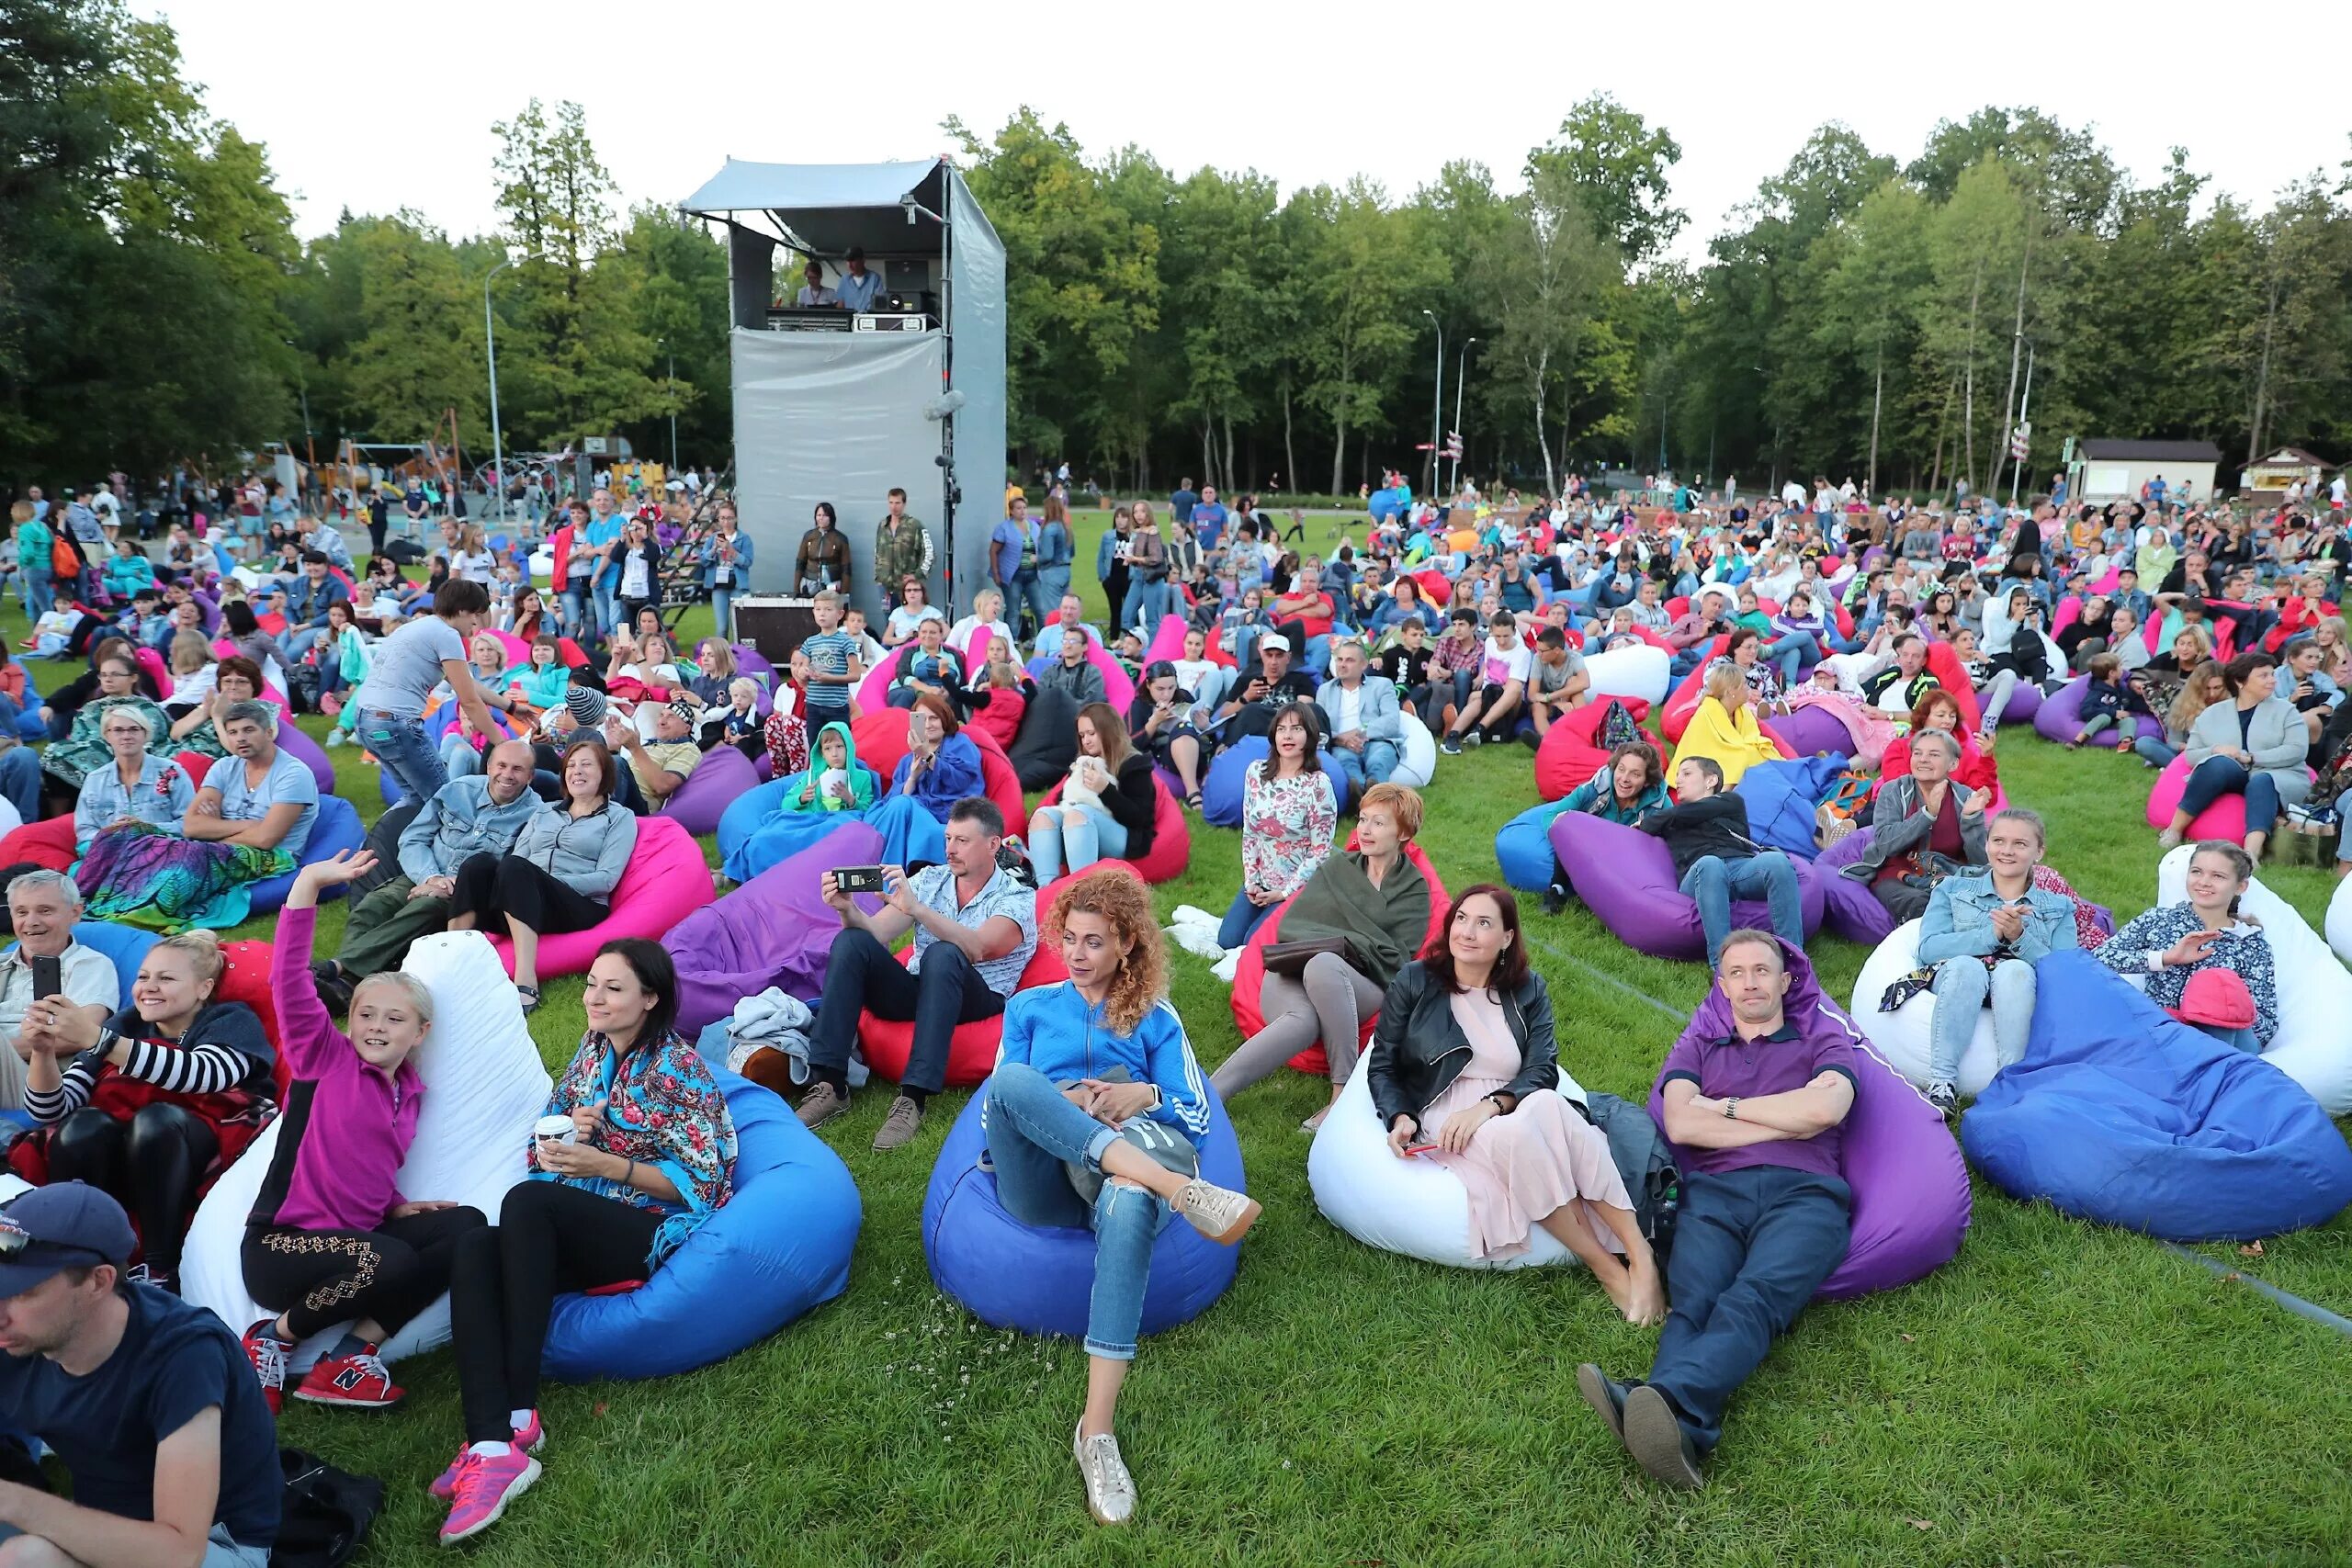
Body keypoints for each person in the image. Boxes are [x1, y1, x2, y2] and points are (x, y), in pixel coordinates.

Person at [979, 866, 1258, 1526]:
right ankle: (1180, 1190)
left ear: (1127, 943)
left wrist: (1146, 1094)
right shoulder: (1028, 1008)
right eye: (1069, 938)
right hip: (1042, 1180)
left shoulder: (1155, 1017)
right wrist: (1066, 1102)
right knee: (1020, 1080)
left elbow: (1197, 1112)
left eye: (1095, 941)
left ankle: (1095, 1433)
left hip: (1119, 1175)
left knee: (1129, 1197)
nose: (1077, 954)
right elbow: (998, 1111)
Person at [436, 940, 737, 1544]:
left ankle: (519, 1409)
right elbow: (543, 1138)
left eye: (613, 987)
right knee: (472, 1243)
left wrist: (605, 1164)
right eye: (592, 982)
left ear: (650, 998)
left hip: (650, 1225)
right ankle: (495, 1441)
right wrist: (572, 1131)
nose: (593, 997)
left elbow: (702, 1182)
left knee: (526, 1202)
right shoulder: (592, 1048)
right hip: (584, 1214)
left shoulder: (677, 1068)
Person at [1577, 931, 1857, 1492]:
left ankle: (1658, 1400)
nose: (1750, 981)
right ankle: (1680, 1429)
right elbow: (1681, 1122)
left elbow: (1827, 1106)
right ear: (1723, 985)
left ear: (1784, 981)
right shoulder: (1700, 1047)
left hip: (1805, 1193)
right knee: (1694, 1303)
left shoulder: (1819, 1039)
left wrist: (1727, 1108)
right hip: (1715, 1193)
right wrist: (1785, 1114)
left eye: (1761, 970)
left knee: (1751, 1298)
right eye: (1737, 972)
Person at [238, 852, 487, 1413]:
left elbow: (362, 1159)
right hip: (283, 1247)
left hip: (356, 1243)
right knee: (391, 1261)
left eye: (394, 1019)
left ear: (420, 1032)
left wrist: (395, 1206)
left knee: (467, 1228)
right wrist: (306, 886)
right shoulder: (324, 1059)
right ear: (350, 1020)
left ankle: (348, 1358)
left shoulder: (409, 1094)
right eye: (367, 1014)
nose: (376, 1026)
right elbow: (288, 980)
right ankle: (273, 1338)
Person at [1366, 883, 1663, 1313]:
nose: (1466, 932)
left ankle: (1640, 1255)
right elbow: (1383, 1063)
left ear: (1507, 937)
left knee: (1549, 1104)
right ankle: (1606, 1267)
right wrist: (1401, 1116)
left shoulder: (1528, 989)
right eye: (1461, 918)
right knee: (1516, 1140)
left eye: (1483, 923)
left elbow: (1543, 1070)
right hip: (1447, 1105)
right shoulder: (1417, 980)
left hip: (1509, 1102)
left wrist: (1491, 1106)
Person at [0, 1182, 282, 1563]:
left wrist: (19, 1503)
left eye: (23, 1293)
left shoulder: (182, 1355)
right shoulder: (22, 1333)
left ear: (98, 1282)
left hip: (211, 1543)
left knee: (24, 1559)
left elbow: (179, 1552)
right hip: (103, 1518)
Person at [11, 927, 273, 1295]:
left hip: (204, 1146)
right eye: (143, 977)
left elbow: (202, 1075)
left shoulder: (229, 1020)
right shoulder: (126, 1024)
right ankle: (80, 1256)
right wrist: (42, 1051)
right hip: (121, 1156)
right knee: (82, 1124)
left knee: (156, 1121)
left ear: (203, 988)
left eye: (166, 978)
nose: (149, 986)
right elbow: (51, 1109)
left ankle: (160, 1267)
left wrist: (100, 1040)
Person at [797, 798, 1039, 1150]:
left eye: (962, 841)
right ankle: (831, 1084)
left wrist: (918, 911)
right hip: (923, 987)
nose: (950, 849)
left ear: (993, 844)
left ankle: (913, 1098)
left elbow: (978, 947)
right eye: (948, 838)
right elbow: (876, 934)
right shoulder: (931, 879)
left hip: (978, 995)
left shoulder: (1016, 897)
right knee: (851, 942)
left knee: (943, 954)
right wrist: (847, 910)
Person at [1215, 783, 1430, 1124]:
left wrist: (1342, 946)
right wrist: (1348, 939)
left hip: (1363, 983)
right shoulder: (1336, 868)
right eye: (1362, 820)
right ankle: (1211, 1094)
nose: (1365, 829)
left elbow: (1397, 956)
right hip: (1291, 971)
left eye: (1379, 822)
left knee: (1326, 964)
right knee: (1302, 1020)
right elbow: (1295, 925)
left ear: (1403, 831)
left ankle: (1340, 1095)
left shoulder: (1415, 889)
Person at [312, 740, 542, 1010]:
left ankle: (339, 971)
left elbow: (512, 872)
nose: (507, 774)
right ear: (489, 765)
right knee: (373, 906)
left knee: (424, 908)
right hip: (421, 874)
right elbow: (412, 838)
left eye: (518, 769)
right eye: (501, 765)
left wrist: (452, 885)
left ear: (530, 776)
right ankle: (350, 983)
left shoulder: (536, 814)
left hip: (464, 896)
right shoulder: (458, 790)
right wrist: (430, 877)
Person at [445, 736, 638, 1012]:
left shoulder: (619, 817)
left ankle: (525, 979)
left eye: (586, 765)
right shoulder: (545, 811)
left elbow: (606, 878)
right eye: (571, 765)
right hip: (524, 898)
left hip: (575, 905)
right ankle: (451, 961)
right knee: (478, 865)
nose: (577, 771)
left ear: (604, 773)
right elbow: (517, 858)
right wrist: (525, 883)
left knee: (516, 869)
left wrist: (542, 883)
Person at [1916, 807, 2078, 1112]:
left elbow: (2064, 971)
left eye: (2020, 844)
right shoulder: (1953, 889)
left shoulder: (2059, 907)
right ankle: (1942, 1084)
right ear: (1987, 844)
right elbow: (1928, 949)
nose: (2007, 851)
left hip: (2018, 984)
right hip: (1958, 977)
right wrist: (1991, 935)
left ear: (2039, 852)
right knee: (1968, 966)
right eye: (1999, 841)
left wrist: (2020, 939)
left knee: (2014, 969)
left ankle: (2010, 1084)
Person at [2096, 840, 2277, 1053]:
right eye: (2197, 872)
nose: (2205, 882)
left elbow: (2267, 1021)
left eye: (2218, 876)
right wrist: (2165, 958)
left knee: (2214, 989)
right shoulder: (2159, 920)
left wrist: (2225, 1005)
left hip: (2226, 1042)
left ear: (2240, 886)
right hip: (2163, 1030)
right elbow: (2099, 957)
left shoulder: (2250, 942)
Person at [1638, 756, 1804, 968]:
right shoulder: (1671, 819)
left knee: (1778, 861)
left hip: (1740, 869)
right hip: (1700, 876)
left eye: (1687, 774)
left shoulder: (1730, 802)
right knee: (1711, 864)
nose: (1678, 780)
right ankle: (1722, 966)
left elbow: (1691, 812)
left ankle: (1794, 961)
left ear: (1711, 781)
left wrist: (1657, 819)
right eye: (1678, 774)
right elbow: (1647, 829)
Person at [351, 580, 505, 804]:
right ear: (461, 610)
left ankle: (382, 839)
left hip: (367, 721)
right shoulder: (447, 635)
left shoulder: (415, 627)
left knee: (416, 799)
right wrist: (501, 743)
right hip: (396, 723)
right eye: (475, 614)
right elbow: (469, 701)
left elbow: (466, 684)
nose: (475, 623)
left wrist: (510, 707)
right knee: (445, 800)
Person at [2160, 653, 2310, 860]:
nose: (2272, 680)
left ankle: (2251, 853)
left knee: (2262, 781)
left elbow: (2297, 750)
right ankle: (2173, 830)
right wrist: (2214, 750)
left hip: (2279, 773)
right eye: (2263, 676)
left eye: (2272, 674)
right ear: (2240, 682)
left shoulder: (2287, 711)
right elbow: (2192, 754)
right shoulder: (2213, 713)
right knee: (2217, 765)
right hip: (2235, 771)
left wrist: (2253, 757)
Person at [0, 874, 121, 1113]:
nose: (31, 922)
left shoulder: (90, 964)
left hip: (38, 1079)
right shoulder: (3, 964)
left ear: (75, 913)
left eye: (45, 910)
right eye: (22, 912)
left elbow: (80, 1035)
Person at [1218, 702, 1335, 949]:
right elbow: (1250, 833)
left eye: (1296, 729)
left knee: (1253, 944)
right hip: (1262, 880)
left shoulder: (1318, 784)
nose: (1288, 736)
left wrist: (1284, 892)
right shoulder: (1256, 773)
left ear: (1309, 735)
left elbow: (1321, 851)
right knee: (1227, 940)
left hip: (1298, 885)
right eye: (1281, 729)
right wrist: (1252, 881)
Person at [1839, 728, 1988, 921]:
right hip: (1898, 876)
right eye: (1917, 753)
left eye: (1934, 754)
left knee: (1974, 900)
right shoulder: (1893, 791)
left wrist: (1971, 820)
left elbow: (1980, 860)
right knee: (1919, 904)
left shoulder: (1965, 797)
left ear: (1953, 764)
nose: (1923, 759)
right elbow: (1886, 843)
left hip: (1948, 875)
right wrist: (1927, 814)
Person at [1029, 704, 1158, 881]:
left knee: (1077, 814)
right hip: (1080, 829)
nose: (1086, 741)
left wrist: (1105, 789)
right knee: (1042, 816)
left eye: (1091, 733)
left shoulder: (1134, 763)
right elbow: (1064, 800)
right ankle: (1045, 890)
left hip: (1125, 836)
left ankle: (1084, 892)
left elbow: (1139, 817)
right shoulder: (1084, 762)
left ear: (1108, 730)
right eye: (1082, 735)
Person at [71, 705, 194, 853]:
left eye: (134, 729)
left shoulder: (172, 772)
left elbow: (190, 824)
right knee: (77, 870)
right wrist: (113, 834)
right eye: (118, 730)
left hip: (161, 852)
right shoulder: (94, 779)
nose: (126, 736)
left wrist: (146, 828)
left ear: (145, 734)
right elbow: (84, 831)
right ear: (107, 735)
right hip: (110, 853)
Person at [1314, 638, 1402, 794]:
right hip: (1342, 744)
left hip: (1376, 740)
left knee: (1378, 761)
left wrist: (1359, 731)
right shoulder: (1324, 690)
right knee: (1345, 762)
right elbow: (1319, 728)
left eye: (1349, 660)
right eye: (1339, 660)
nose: (1342, 664)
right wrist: (1340, 739)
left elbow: (1391, 721)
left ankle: (1376, 795)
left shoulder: (1382, 685)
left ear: (1363, 664)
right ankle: (1361, 794)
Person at [1439, 612, 1531, 753]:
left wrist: (1482, 694)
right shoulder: (1489, 643)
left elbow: (1513, 688)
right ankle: (1453, 736)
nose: (1501, 641)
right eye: (1498, 636)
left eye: (1506, 636)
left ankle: (1480, 728)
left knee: (1510, 690)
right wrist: (1481, 677)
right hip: (1487, 694)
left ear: (1514, 631)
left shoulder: (1522, 653)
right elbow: (1487, 665)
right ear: (1491, 632)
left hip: (1509, 699)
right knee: (1480, 698)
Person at [605, 701, 701, 808]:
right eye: (661, 715)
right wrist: (613, 750)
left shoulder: (688, 748)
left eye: (670, 717)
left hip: (640, 806)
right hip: (618, 796)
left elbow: (663, 786)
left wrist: (635, 748)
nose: (661, 722)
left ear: (686, 728)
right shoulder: (649, 746)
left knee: (617, 762)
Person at [793, 589, 863, 734]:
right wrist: (803, 673)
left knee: (837, 743)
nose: (822, 613)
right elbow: (802, 674)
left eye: (828, 609)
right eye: (818, 609)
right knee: (815, 746)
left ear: (840, 614)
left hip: (836, 707)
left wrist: (830, 678)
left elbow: (855, 675)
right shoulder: (810, 642)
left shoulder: (845, 642)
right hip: (813, 705)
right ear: (813, 612)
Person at [697, 502, 752, 641]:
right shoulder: (712, 538)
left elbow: (747, 562)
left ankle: (739, 657)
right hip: (719, 586)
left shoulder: (744, 539)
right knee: (721, 627)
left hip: (737, 584)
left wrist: (731, 550)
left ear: (735, 519)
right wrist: (714, 549)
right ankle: (722, 657)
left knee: (739, 626)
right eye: (722, 518)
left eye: (729, 518)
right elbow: (703, 561)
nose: (726, 522)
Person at [875, 489, 933, 612]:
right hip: (886, 585)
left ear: (904, 504)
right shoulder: (882, 525)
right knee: (890, 622)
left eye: (897, 503)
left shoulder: (914, 525)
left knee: (909, 620)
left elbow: (929, 553)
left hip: (907, 586)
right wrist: (879, 576)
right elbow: (878, 551)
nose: (893, 507)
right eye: (891, 503)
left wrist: (917, 575)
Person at [1038, 626, 1107, 705]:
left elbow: (1093, 700)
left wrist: (1065, 705)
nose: (1068, 646)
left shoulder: (1092, 672)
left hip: (1080, 715)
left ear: (1084, 647)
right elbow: (1039, 696)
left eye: (1073, 642)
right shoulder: (1051, 671)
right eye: (1065, 641)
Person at [793, 502, 850, 598]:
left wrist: (845, 593)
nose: (821, 518)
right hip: (810, 583)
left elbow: (846, 567)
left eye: (825, 515)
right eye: (819, 515)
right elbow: (800, 563)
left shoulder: (841, 538)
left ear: (831, 517)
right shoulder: (809, 536)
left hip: (832, 584)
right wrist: (796, 589)